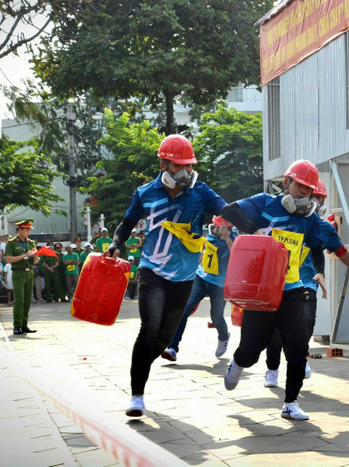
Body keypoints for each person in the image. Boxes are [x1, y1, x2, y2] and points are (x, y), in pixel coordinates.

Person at [221, 160, 349, 421]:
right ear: (286, 183)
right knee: (252, 348)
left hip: (294, 289)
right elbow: (228, 210)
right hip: (263, 292)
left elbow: (319, 249)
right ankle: (238, 363)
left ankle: (290, 403)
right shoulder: (264, 203)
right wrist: (253, 230)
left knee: (297, 345)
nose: (304, 192)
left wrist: (322, 272)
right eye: (299, 185)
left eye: (308, 188)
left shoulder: (312, 221)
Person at [104, 134, 232, 419]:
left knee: (162, 341)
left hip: (185, 277)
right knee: (149, 328)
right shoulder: (145, 193)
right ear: (163, 164)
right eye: (178, 166)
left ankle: (140, 363)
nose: (185, 172)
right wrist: (115, 243)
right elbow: (126, 223)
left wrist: (254, 224)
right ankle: (137, 396)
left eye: (188, 166)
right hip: (151, 270)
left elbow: (227, 210)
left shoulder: (201, 192)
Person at [262, 179, 331, 388]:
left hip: (308, 282)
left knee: (307, 322)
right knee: (275, 331)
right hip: (284, 282)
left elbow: (333, 248)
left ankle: (299, 355)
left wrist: (321, 272)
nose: (316, 202)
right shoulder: (286, 218)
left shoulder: (319, 225)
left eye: (320, 199)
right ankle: (272, 368)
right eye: (314, 197)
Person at [161, 216, 237, 363]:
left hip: (219, 285)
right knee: (185, 309)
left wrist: (227, 238)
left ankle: (223, 337)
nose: (217, 229)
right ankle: (172, 348)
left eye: (221, 227)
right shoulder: (209, 233)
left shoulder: (233, 237)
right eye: (215, 225)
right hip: (201, 278)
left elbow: (237, 256)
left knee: (216, 316)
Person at [4, 219, 39, 335]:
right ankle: (17, 326)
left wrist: (35, 257)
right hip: (18, 273)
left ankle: (24, 325)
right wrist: (24, 255)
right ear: (20, 229)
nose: (29, 231)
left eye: (29, 229)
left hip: (29, 273)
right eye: (27, 229)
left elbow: (37, 261)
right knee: (19, 300)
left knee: (27, 301)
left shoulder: (31, 243)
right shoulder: (11, 242)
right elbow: (8, 259)